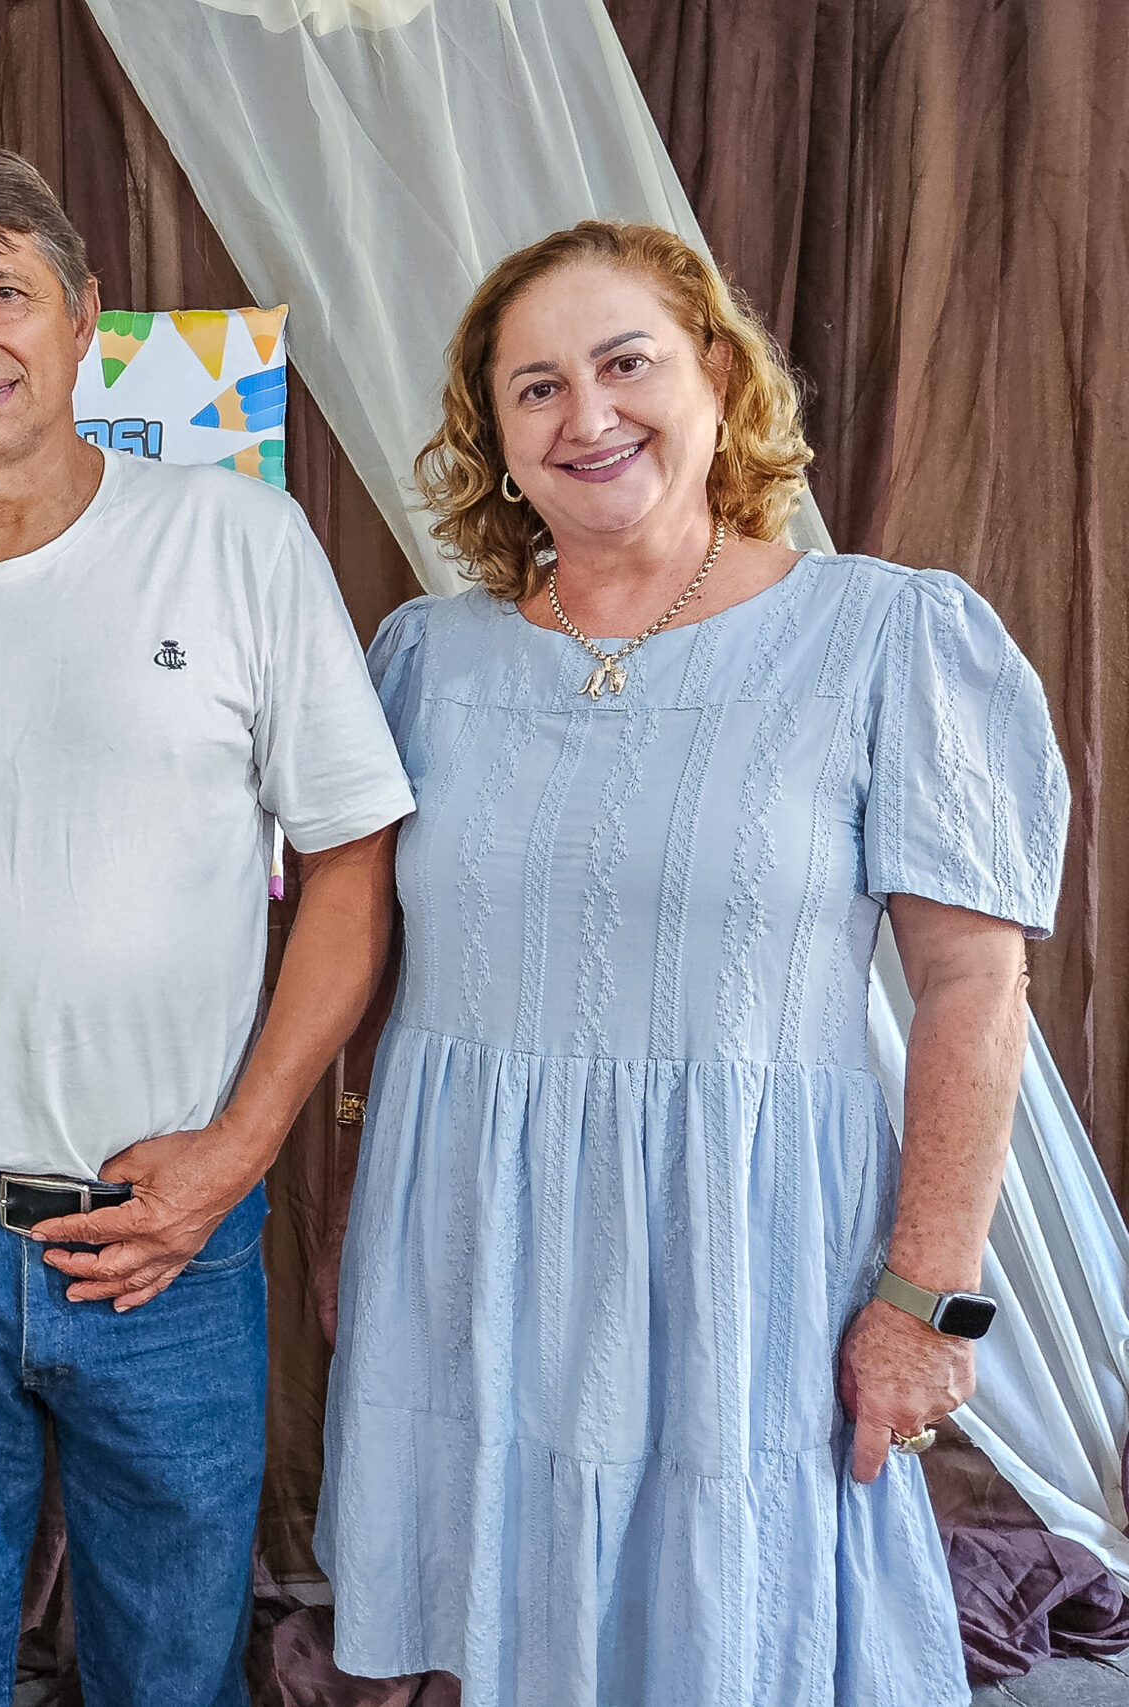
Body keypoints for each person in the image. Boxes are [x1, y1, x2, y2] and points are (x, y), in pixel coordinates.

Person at [316, 219, 1068, 1707]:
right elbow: (375, 969)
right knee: (501, 1620)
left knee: (736, 1631)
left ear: (717, 377)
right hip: (468, 1234)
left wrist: (928, 1298)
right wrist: (357, 1216)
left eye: (626, 364)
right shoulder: (424, 661)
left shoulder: (885, 637)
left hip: (747, 1257)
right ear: (496, 438)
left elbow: (975, 991)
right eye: (536, 387)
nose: (586, 415)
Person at [0, 142, 414, 1706]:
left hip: (170, 1244)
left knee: (173, 1673)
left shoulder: (237, 541)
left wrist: (237, 1153)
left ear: (85, 315)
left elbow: (351, 866)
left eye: (2, 294)